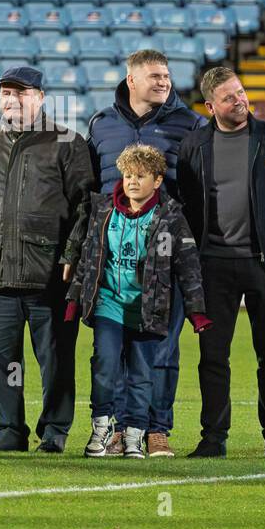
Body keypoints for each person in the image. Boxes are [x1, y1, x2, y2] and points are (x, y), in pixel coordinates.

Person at [0, 66, 93, 453]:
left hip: (51, 276)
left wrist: (72, 256)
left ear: (40, 98)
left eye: (22, 93)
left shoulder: (68, 142)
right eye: (6, 95)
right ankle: (10, 430)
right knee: (2, 360)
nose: (12, 101)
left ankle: (54, 431)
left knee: (55, 360)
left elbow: (86, 206)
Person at [87, 48, 204, 457]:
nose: (164, 82)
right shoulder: (101, 125)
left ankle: (157, 429)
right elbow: (91, 191)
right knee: (112, 351)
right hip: (111, 259)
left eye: (167, 75)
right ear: (131, 79)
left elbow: (202, 191)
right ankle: (120, 428)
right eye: (154, 76)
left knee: (162, 350)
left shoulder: (192, 125)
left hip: (162, 260)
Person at [176, 66, 265, 459]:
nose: (240, 101)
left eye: (241, 92)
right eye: (229, 97)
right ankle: (213, 438)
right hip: (212, 266)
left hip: (263, 264)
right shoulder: (193, 145)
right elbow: (188, 206)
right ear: (210, 106)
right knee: (212, 356)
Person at [66, 145, 211, 458]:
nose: (132, 181)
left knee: (142, 374)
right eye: (128, 175)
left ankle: (134, 435)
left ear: (157, 181)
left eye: (140, 176)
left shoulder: (171, 217)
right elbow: (89, 257)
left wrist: (196, 311)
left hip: (149, 308)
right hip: (108, 303)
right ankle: (101, 428)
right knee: (104, 363)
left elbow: (188, 264)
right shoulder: (103, 209)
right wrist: (73, 299)